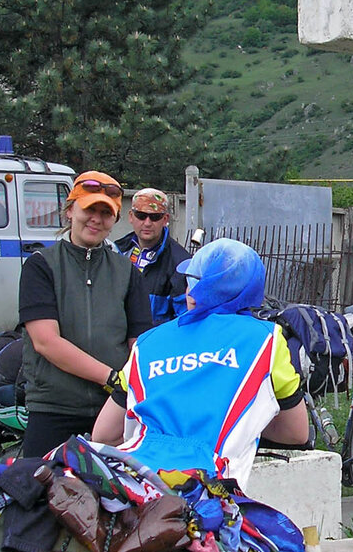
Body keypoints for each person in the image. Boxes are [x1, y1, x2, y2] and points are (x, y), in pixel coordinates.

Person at [92, 238, 308, 488]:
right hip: (208, 495)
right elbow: (296, 433)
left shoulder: (147, 342)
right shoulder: (266, 339)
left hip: (137, 486)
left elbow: (104, 434)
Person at [18, 170, 152, 457]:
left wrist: (129, 386)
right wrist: (111, 377)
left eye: (106, 213)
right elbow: (45, 341)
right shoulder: (41, 266)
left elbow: (138, 343)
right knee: (37, 494)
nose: (96, 218)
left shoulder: (128, 272)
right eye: (90, 208)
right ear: (69, 211)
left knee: (121, 497)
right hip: (54, 407)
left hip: (112, 411)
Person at [114, 187, 190, 324]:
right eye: (141, 216)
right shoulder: (115, 250)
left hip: (155, 341)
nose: (147, 223)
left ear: (165, 219)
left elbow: (184, 319)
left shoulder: (181, 262)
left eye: (155, 217)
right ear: (131, 216)